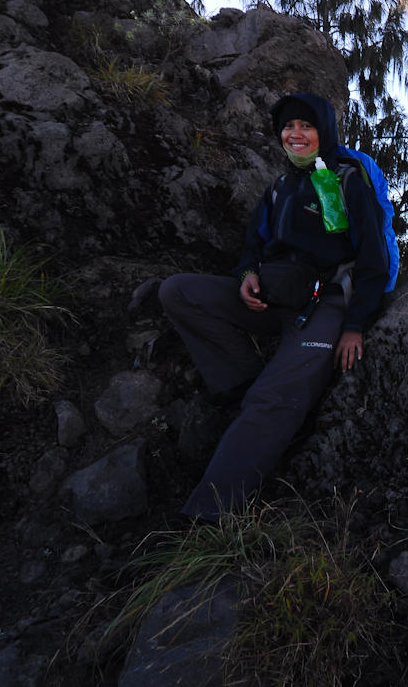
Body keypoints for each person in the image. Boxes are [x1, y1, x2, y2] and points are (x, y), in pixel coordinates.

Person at [159, 93, 388, 522]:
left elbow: (375, 260)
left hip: (324, 304)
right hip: (271, 297)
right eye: (288, 127)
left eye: (306, 126)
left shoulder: (347, 180)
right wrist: (247, 274)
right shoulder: (280, 186)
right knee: (178, 291)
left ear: (325, 131)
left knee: (275, 398)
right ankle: (238, 380)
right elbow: (254, 244)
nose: (295, 134)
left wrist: (356, 325)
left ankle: (210, 513)